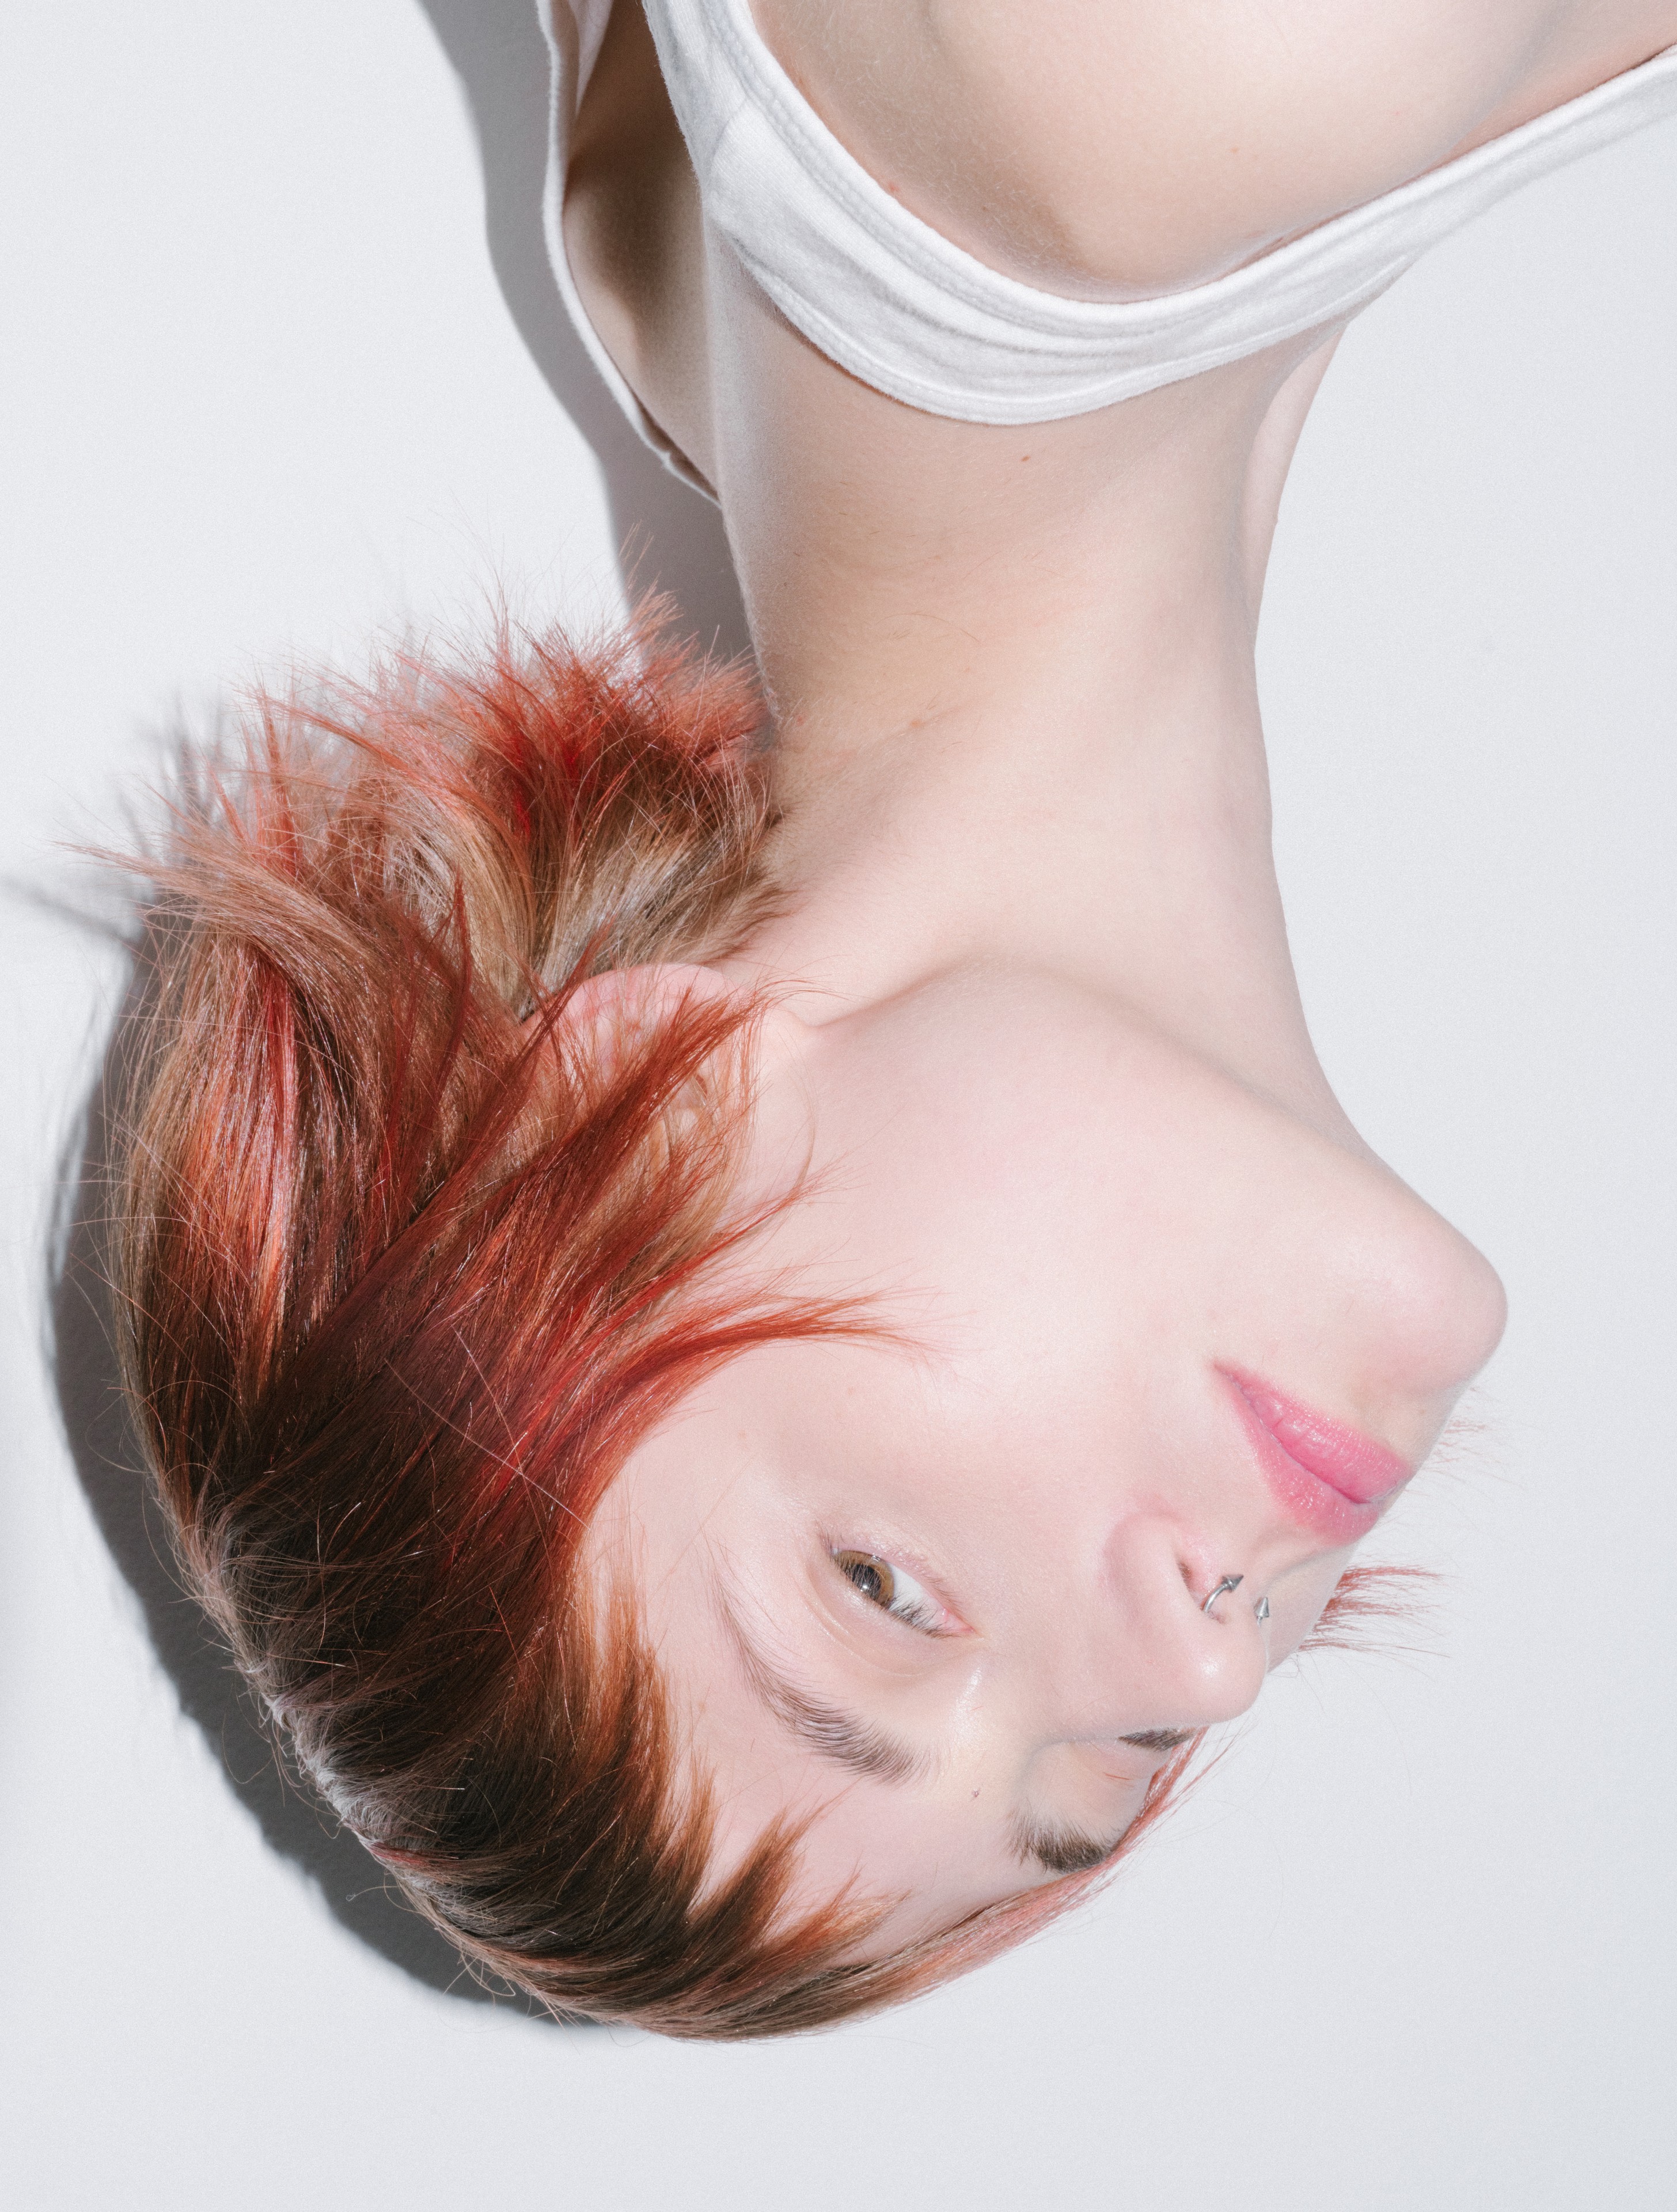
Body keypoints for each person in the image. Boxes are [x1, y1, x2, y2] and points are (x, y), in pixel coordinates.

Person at [112, 1, 1677, 2038]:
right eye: (1107, 1771)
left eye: (882, 1597)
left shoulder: (1143, 103)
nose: (1211, 1665)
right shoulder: (755, 295)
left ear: (654, 1104)